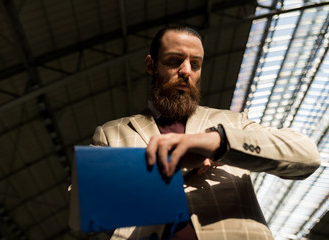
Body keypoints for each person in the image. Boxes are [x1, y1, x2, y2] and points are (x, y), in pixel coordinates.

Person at [92, 26, 321, 240]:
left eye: (196, 64)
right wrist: (167, 164)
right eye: (174, 61)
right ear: (151, 65)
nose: (186, 71)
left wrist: (217, 142)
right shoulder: (113, 133)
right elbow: (88, 199)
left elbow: (308, 157)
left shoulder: (232, 122)